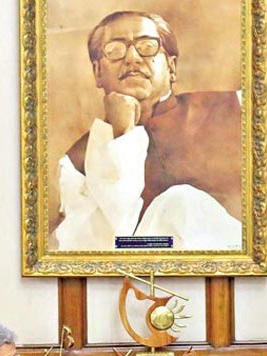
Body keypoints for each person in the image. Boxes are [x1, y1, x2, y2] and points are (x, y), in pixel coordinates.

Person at [54, 10, 243, 251]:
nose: (132, 57)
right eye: (115, 50)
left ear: (171, 67)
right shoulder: (75, 163)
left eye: (146, 46)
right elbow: (94, 248)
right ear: (98, 73)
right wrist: (121, 135)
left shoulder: (239, 108)